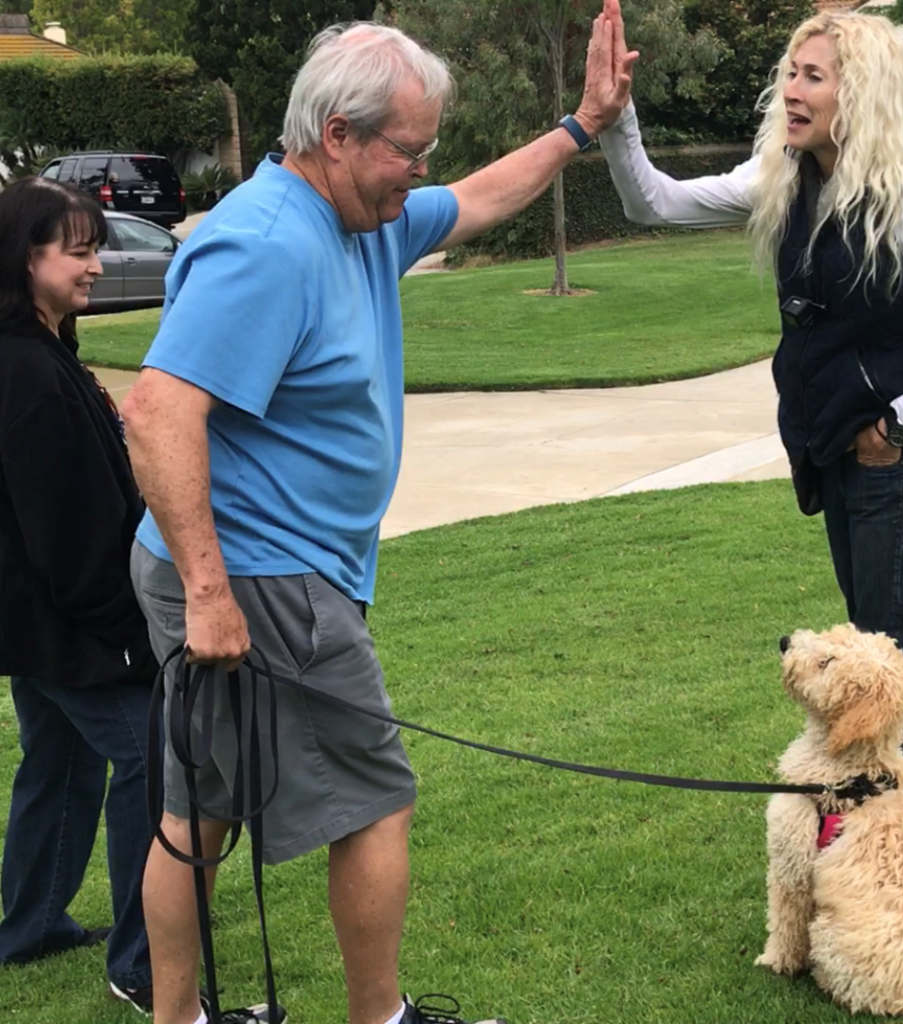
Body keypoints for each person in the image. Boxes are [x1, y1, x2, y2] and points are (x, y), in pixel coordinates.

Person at [120, 19, 630, 1024]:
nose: (423, 170)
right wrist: (213, 594)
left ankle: (179, 1019)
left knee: (203, 809)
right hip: (260, 576)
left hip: (265, 571)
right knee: (370, 795)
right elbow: (156, 411)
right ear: (338, 134)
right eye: (410, 148)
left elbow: (481, 196)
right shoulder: (268, 243)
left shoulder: (362, 218)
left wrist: (582, 124)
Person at [594, 1, 903, 848]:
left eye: (812, 76)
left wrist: (898, 424)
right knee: (893, 638)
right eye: (790, 72)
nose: (791, 89)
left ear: (858, 92)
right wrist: (617, 116)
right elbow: (653, 203)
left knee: (890, 647)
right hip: (844, 458)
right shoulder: (790, 180)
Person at [0, 178, 156, 1006]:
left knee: (59, 766)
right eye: (81, 250)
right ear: (28, 259)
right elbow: (67, 540)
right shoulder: (27, 371)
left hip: (39, 626)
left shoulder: (42, 351)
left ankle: (28, 925)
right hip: (69, 629)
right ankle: (142, 960)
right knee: (146, 761)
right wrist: (132, 633)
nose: (98, 265)